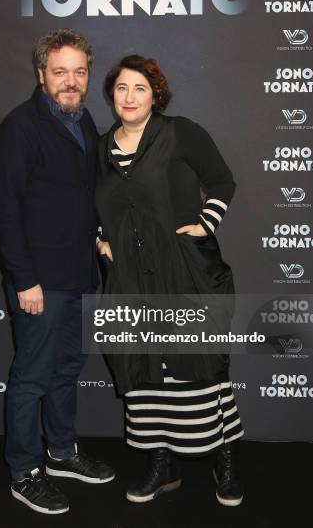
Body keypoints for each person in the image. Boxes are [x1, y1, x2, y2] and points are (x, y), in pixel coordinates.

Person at [96, 55, 244, 506]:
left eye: (139, 88)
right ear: (112, 95)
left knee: (200, 368)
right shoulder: (102, 148)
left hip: (184, 273)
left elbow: (221, 180)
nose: (129, 97)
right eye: (122, 88)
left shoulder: (180, 132)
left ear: (155, 94)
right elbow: (100, 203)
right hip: (130, 281)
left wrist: (206, 223)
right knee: (143, 371)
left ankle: (225, 460)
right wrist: (102, 240)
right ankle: (163, 466)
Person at [0, 28, 114, 515]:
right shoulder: (20, 127)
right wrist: (25, 280)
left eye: (79, 72)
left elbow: (84, 196)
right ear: (41, 74)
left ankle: (61, 453)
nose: (70, 81)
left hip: (82, 276)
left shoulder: (83, 122)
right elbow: (4, 212)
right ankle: (24, 471)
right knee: (32, 377)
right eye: (60, 71)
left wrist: (101, 238)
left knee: (67, 370)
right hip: (41, 282)